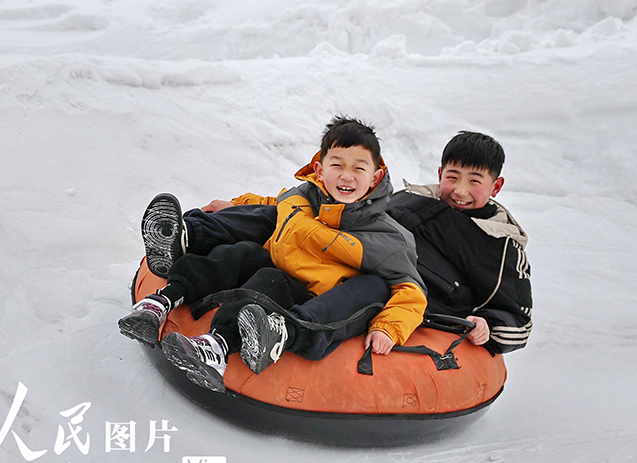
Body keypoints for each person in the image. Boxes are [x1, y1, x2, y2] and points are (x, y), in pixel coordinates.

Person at [119, 116, 427, 390]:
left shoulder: (389, 237)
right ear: (320, 169)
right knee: (247, 255)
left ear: (375, 176)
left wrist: (389, 328)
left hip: (319, 303)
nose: (347, 176)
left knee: (368, 286)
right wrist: (235, 204)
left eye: (358, 168)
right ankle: (166, 301)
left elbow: (411, 290)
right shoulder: (304, 196)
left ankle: (256, 338)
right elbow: (271, 202)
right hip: (281, 277)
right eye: (337, 165)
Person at [386, 131, 533, 354]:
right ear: (440, 173)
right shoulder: (407, 200)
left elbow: (519, 320)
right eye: (452, 177)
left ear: (496, 186)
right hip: (369, 285)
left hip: (427, 319)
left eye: (474, 181)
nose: (460, 190)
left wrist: (488, 324)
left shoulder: (501, 246)